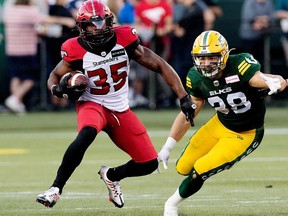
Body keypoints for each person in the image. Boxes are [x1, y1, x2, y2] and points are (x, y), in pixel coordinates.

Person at [35, 0, 195, 209]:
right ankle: (55, 189)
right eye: (91, 24)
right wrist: (57, 89)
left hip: (120, 108)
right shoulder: (74, 48)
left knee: (148, 163)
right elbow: (54, 76)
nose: (97, 28)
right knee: (87, 133)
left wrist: (184, 97)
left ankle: (111, 175)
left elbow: (160, 64)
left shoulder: (125, 38)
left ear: (110, 21)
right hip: (92, 103)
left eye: (101, 22)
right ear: (82, 27)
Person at [157, 30, 288, 216]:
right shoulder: (195, 77)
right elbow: (188, 113)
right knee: (183, 167)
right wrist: (167, 147)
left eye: (211, 58)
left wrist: (275, 82)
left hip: (245, 134)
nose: (206, 63)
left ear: (224, 55)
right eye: (201, 59)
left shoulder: (240, 64)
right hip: (220, 124)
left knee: (200, 170)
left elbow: (265, 79)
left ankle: (171, 205)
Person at [239, 0, 274, 70]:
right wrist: (262, 20)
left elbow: (271, 17)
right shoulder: (249, 2)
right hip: (248, 37)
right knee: (248, 62)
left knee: (262, 62)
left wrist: (261, 21)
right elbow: (248, 17)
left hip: (262, 37)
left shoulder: (269, 2)